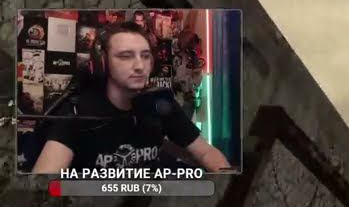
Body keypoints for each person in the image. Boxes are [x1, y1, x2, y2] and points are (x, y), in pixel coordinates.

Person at [30, 21, 232, 173]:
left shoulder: (160, 103)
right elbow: (43, 184)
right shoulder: (77, 112)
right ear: (102, 63)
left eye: (145, 56)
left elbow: (205, 152)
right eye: (125, 56)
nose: (139, 66)